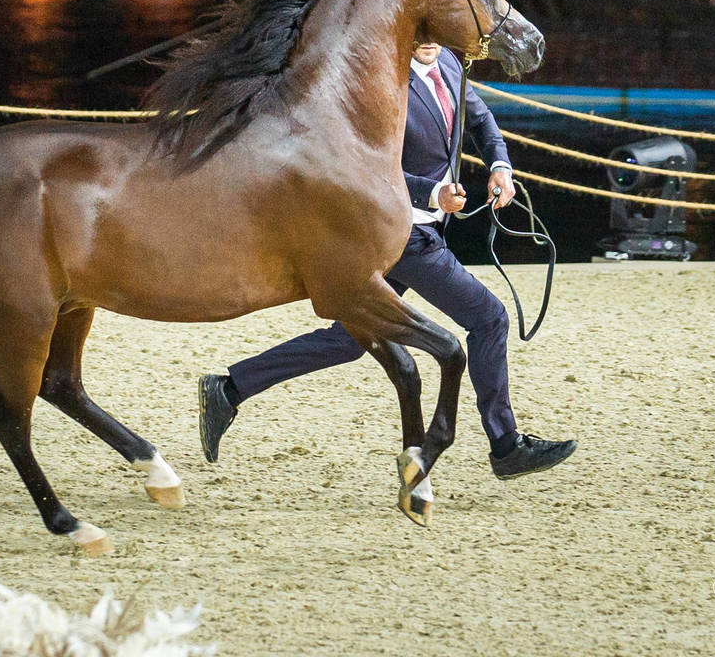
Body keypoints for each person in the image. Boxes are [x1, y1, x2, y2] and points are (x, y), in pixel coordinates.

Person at [198, 41, 575, 479]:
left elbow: (481, 118)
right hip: (399, 233)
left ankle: (228, 389)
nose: (429, 39)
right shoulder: (381, 79)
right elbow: (366, 165)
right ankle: (506, 445)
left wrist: (500, 166)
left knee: (349, 338)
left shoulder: (451, 63)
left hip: (427, 227)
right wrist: (432, 193)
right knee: (489, 318)